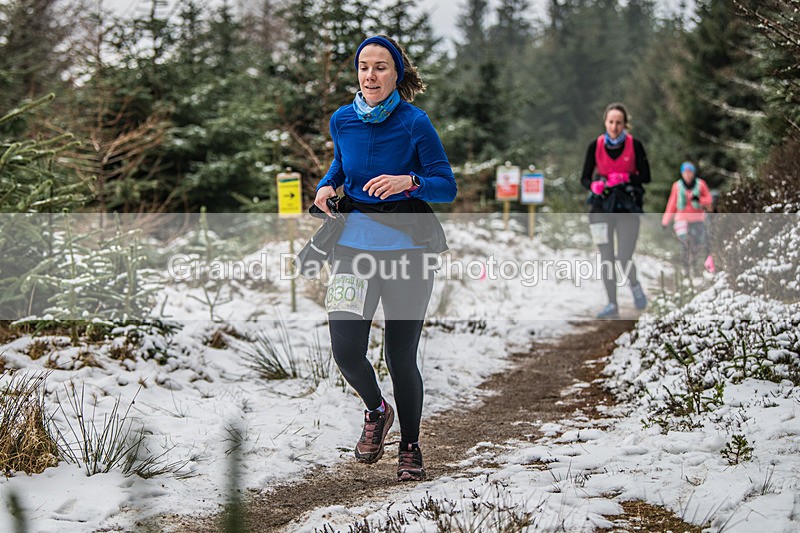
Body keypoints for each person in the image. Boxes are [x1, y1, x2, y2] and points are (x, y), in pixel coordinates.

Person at [313, 35, 457, 482]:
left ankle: (410, 446)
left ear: (396, 74)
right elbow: (341, 166)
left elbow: (446, 185)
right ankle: (377, 410)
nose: (370, 75)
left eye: (380, 67)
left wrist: (408, 182)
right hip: (352, 249)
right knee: (345, 350)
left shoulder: (415, 122)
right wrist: (325, 185)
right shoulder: (342, 119)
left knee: (400, 356)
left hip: (408, 253)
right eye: (363, 67)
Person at [581, 102, 651, 319]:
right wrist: (594, 185)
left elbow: (646, 176)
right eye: (611, 122)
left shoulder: (635, 145)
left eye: (619, 123)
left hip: (627, 207)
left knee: (623, 257)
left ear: (625, 124)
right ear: (605, 122)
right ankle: (612, 304)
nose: (614, 126)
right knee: (606, 258)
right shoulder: (595, 146)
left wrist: (627, 177)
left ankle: (635, 285)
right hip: (601, 207)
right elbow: (584, 178)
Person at [662, 161, 713, 275]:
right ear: (682, 173)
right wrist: (665, 221)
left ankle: (696, 268)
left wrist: (699, 200)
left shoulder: (700, 184)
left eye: (690, 172)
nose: (688, 175)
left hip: (697, 218)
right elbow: (671, 204)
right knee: (684, 243)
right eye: (685, 172)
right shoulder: (677, 186)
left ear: (693, 173)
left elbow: (709, 199)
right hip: (681, 219)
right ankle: (685, 269)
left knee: (696, 243)